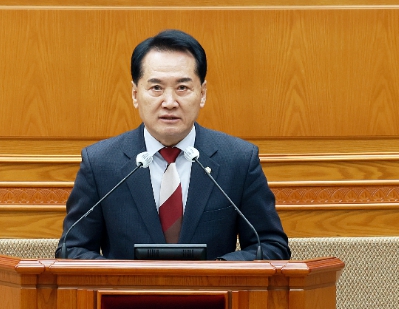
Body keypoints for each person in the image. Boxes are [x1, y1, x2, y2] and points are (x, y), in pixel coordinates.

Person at [56, 29, 290, 261]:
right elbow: (71, 250)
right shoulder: (100, 163)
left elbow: (271, 246)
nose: (169, 102)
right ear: (135, 94)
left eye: (182, 88)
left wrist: (219, 271)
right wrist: (123, 276)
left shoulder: (238, 160)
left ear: (202, 94)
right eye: (156, 88)